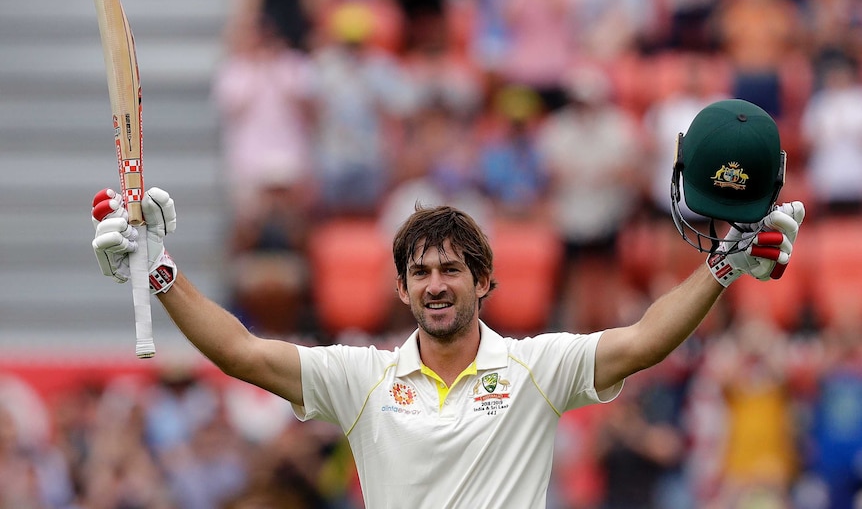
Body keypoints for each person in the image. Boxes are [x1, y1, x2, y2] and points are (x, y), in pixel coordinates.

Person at [90, 100, 805, 508]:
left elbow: (645, 339)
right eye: (422, 271)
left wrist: (720, 268)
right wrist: (160, 271)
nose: (437, 282)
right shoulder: (362, 379)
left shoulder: (535, 367)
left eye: (453, 269)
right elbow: (242, 351)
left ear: (484, 281)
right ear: (400, 289)